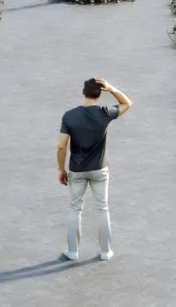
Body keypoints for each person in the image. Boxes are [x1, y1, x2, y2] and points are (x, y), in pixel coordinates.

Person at [56, 77, 132, 261]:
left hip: (77, 169)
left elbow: (61, 146)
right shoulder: (105, 112)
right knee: (102, 208)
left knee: (75, 209)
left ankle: (72, 252)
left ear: (83, 93)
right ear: (100, 94)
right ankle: (105, 252)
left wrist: (61, 169)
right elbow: (127, 103)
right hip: (99, 168)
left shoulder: (69, 116)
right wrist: (111, 88)